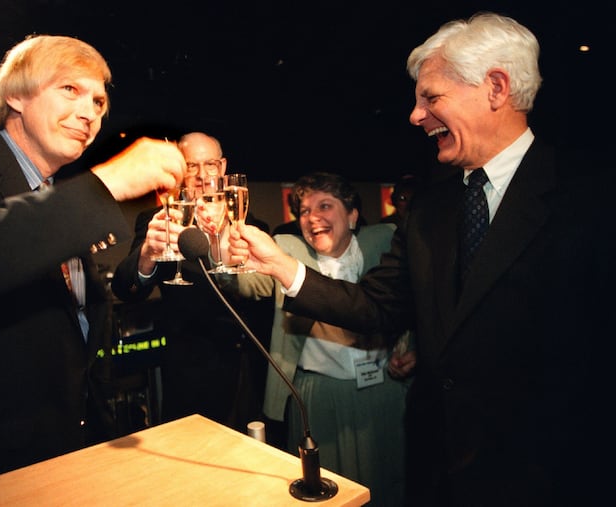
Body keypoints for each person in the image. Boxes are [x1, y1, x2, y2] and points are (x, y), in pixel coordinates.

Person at [229, 13, 610, 507]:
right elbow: (378, 307)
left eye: (430, 97)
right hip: (438, 469)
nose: (415, 115)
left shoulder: (592, 199)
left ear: (496, 87)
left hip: (550, 473)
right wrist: (283, 267)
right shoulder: (431, 206)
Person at [0, 34, 185, 503]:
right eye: (69, 89)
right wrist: (108, 182)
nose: (91, 111)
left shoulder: (60, 195)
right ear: (15, 94)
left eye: (98, 99)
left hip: (69, 457)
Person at [223, 172, 412, 506]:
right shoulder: (287, 250)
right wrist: (223, 250)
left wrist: (413, 347)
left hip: (385, 392)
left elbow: (417, 300)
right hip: (319, 397)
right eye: (304, 211)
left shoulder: (386, 242)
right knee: (327, 492)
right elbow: (246, 284)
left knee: (393, 484)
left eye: (325, 205)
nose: (312, 217)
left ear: (353, 215)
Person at [110, 131, 271, 431]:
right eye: (191, 166)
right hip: (193, 377)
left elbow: (265, 296)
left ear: (222, 168)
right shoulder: (160, 221)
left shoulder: (252, 225)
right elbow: (126, 289)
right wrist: (147, 255)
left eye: (208, 164)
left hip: (253, 374)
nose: (200, 175)